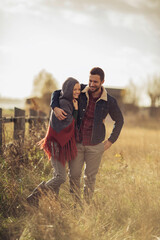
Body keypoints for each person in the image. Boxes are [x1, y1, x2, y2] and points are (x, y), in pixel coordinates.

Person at [51, 67, 124, 204]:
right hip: (78, 143)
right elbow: (56, 92)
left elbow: (119, 121)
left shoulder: (109, 101)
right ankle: (75, 205)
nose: (91, 84)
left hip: (96, 146)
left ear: (102, 81)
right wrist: (55, 108)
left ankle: (87, 207)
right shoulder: (81, 90)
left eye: (95, 82)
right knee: (74, 175)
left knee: (90, 178)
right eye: (90, 80)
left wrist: (110, 141)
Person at [27, 77, 81, 207]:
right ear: (68, 89)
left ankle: (54, 205)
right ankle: (35, 195)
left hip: (61, 145)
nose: (77, 92)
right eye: (74, 89)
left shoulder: (67, 101)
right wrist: (76, 110)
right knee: (60, 177)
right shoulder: (62, 103)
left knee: (57, 175)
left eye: (79, 89)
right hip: (56, 143)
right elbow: (69, 124)